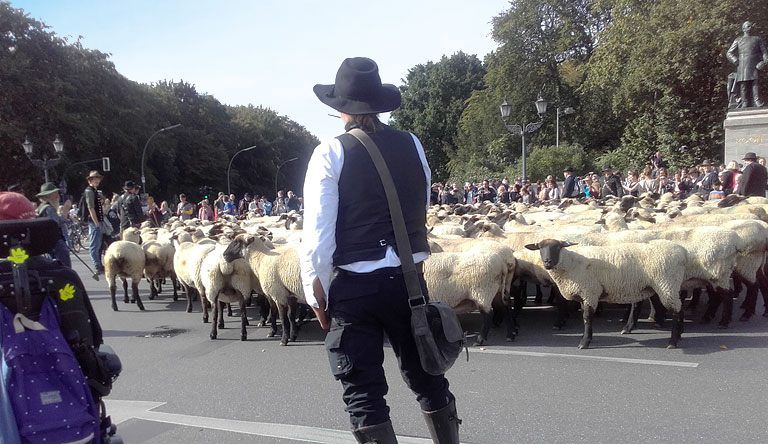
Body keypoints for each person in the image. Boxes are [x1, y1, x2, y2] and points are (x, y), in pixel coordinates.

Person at [300, 57, 459, 444]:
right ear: (380, 104)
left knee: (363, 393)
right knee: (429, 376)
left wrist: (315, 291)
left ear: (340, 108)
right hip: (409, 282)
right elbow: (418, 204)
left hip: (355, 288)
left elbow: (317, 234)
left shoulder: (329, 152)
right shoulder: (412, 144)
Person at [727, 21, 768, 108]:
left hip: (754, 64)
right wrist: (735, 61)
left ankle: (757, 101)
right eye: (748, 26)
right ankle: (745, 102)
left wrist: (764, 62)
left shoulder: (757, 39)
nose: (750, 28)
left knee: (755, 82)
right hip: (742, 65)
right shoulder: (738, 40)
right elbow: (729, 53)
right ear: (743, 29)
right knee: (743, 84)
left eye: (751, 26)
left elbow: (764, 52)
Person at [34, 182, 71, 267]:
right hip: (56, 242)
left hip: (47, 243)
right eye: (55, 194)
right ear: (47, 196)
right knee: (64, 268)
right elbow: (58, 223)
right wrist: (65, 210)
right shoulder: (49, 208)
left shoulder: (41, 208)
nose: (58, 196)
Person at [83, 170, 105, 273]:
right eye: (95, 178)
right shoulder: (89, 191)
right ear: (90, 180)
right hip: (94, 221)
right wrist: (96, 222)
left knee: (98, 244)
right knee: (94, 245)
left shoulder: (94, 191)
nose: (98, 180)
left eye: (98, 178)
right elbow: (91, 208)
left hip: (98, 221)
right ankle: (97, 266)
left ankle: (99, 264)